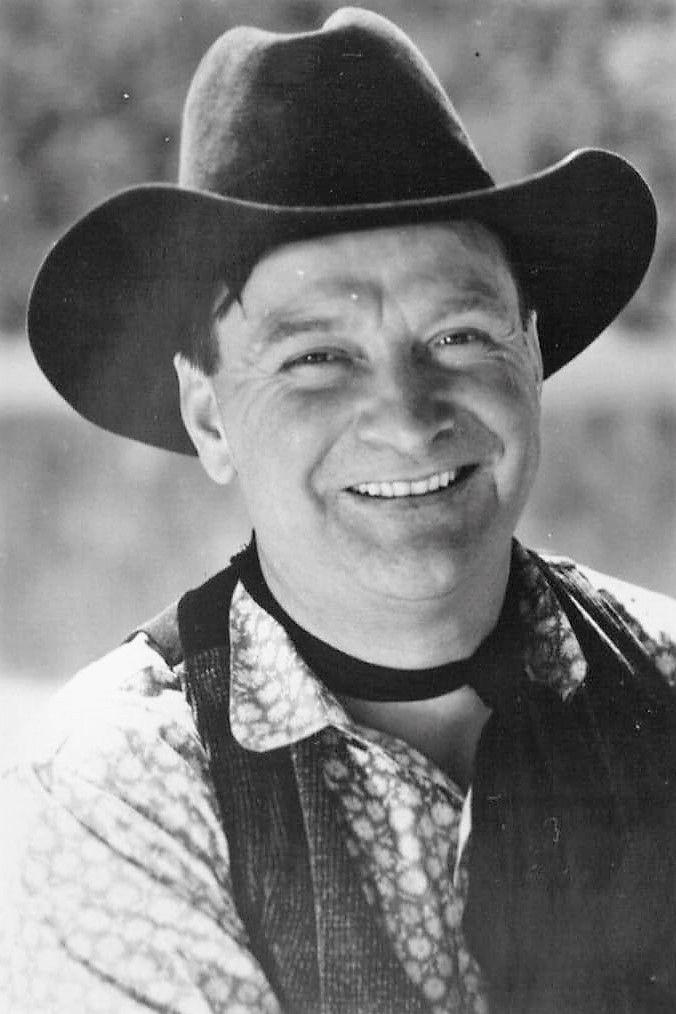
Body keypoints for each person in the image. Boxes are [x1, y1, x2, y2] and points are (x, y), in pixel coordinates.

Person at [2, 7, 676, 1013]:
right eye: (318, 357)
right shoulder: (121, 785)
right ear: (210, 414)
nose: (406, 419)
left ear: (532, 353)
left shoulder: (662, 675)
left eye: (458, 336)